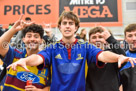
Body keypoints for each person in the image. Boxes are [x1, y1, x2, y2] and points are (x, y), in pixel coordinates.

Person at [7, 11, 136, 91]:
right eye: (64, 23)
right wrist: (25, 60)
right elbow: (38, 58)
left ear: (76, 28)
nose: (67, 25)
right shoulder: (53, 47)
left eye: (71, 23)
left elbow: (102, 55)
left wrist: (117, 57)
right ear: (59, 27)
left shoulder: (85, 46)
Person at [0, 15, 51, 91]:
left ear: (41, 40)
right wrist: (13, 29)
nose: (32, 39)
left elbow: (52, 86)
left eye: (36, 36)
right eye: (29, 36)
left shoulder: (47, 61)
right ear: (23, 39)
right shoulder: (15, 54)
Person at [86, 26, 126, 91]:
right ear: (89, 40)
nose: (97, 40)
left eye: (100, 37)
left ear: (105, 40)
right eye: (94, 37)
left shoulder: (112, 55)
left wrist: (110, 39)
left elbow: (122, 57)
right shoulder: (85, 56)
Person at [120, 23, 136, 91]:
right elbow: (120, 84)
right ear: (125, 39)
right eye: (130, 36)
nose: (134, 38)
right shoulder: (123, 59)